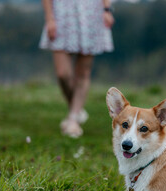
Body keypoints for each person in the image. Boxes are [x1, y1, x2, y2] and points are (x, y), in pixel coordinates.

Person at [40, 0, 114, 138]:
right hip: (61, 15)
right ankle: (76, 110)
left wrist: (107, 10)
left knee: (83, 73)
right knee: (63, 73)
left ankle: (73, 119)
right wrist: (49, 19)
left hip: (91, 14)